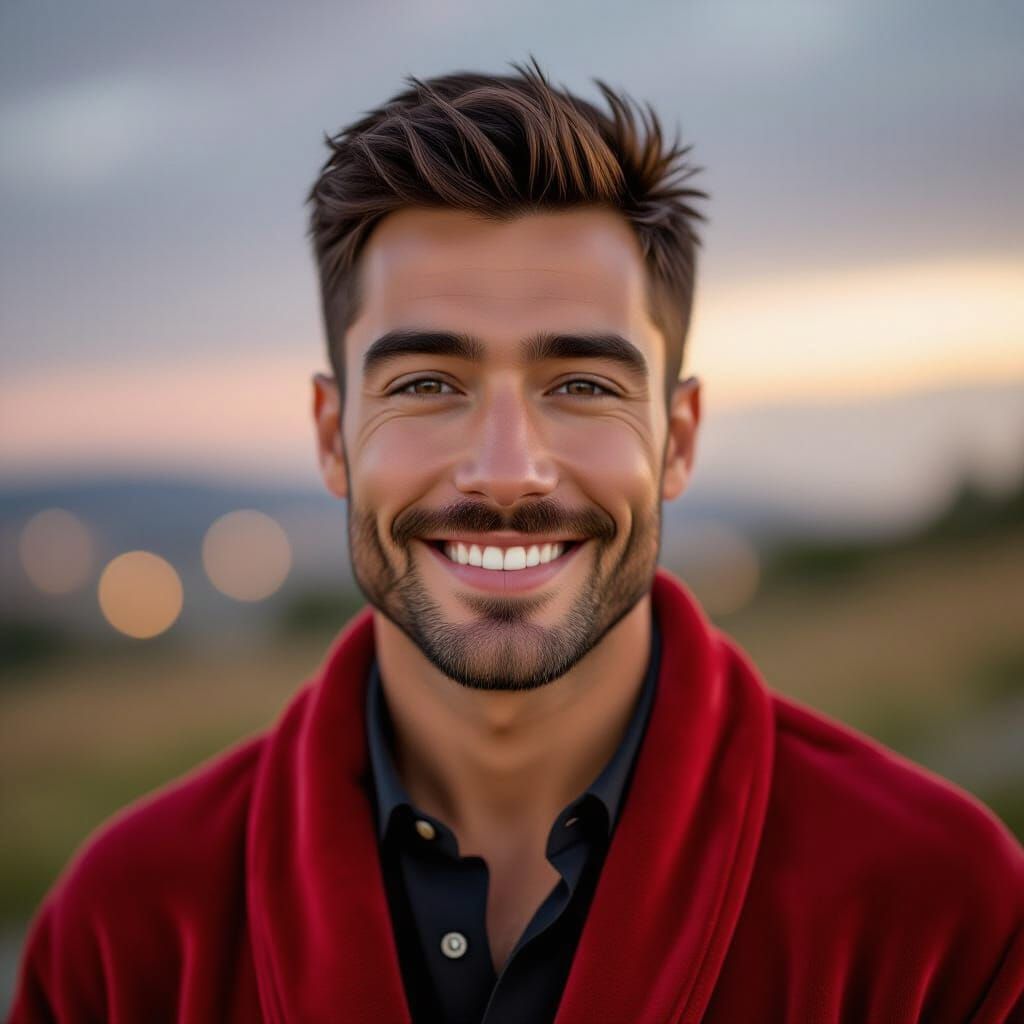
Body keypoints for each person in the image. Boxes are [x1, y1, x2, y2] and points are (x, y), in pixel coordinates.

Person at [10, 59, 1024, 1024]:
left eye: (581, 385)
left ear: (676, 439)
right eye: (425, 384)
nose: (505, 470)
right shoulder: (126, 933)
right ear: (331, 438)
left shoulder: (941, 914)